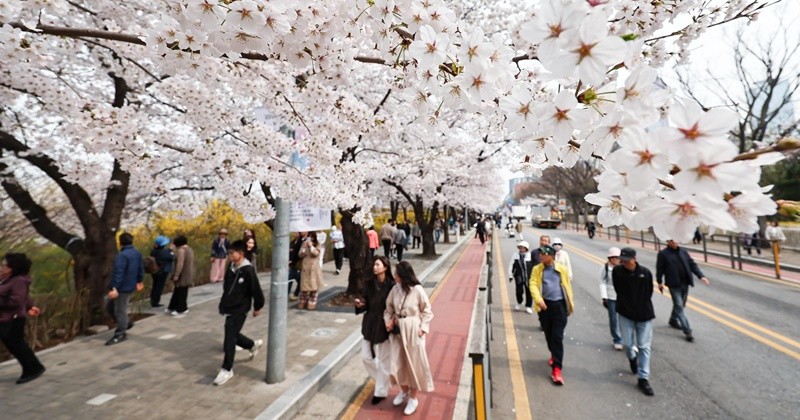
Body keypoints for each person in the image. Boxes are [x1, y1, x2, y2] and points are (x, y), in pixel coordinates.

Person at [385, 261, 434, 416]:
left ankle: (413, 398)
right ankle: (404, 390)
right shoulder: (394, 289)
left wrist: (422, 329)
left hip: (413, 330)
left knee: (414, 365)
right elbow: (388, 309)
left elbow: (427, 310)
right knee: (397, 363)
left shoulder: (417, 290)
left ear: (403, 275)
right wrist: (389, 321)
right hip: (398, 331)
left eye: (397, 273)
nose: (394, 276)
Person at [213, 240, 265, 386]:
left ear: (240, 254)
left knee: (229, 337)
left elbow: (256, 290)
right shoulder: (231, 266)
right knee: (233, 334)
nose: (229, 255)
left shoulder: (247, 270)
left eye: (231, 253)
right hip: (229, 306)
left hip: (240, 308)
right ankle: (252, 345)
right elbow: (227, 287)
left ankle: (227, 368)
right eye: (229, 252)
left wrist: (257, 307)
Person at [613, 247, 656, 396]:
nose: (624, 263)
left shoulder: (645, 273)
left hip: (644, 315)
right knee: (627, 344)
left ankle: (643, 378)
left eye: (627, 260)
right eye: (622, 260)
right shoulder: (617, 272)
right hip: (625, 313)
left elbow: (649, 291)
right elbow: (618, 289)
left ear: (634, 259)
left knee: (644, 347)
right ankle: (632, 357)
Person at [529, 245, 573, 385]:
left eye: (544, 254)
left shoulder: (561, 269)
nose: (541, 256)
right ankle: (554, 354)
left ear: (552, 256)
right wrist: (538, 299)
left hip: (559, 306)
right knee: (548, 335)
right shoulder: (537, 269)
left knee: (557, 337)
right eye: (540, 254)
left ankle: (557, 369)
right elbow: (533, 284)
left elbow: (567, 287)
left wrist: (569, 305)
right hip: (544, 306)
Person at [0, 253, 46, 383]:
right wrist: (30, 307)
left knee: (17, 345)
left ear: (12, 268)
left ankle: (33, 368)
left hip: (13, 319)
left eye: (4, 265)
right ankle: (34, 367)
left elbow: (16, 301)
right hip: (8, 318)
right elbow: (24, 298)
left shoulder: (18, 280)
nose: (1, 267)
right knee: (16, 345)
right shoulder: (8, 279)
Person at [354, 257, 394, 405]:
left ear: (385, 267)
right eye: (374, 264)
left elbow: (395, 306)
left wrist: (392, 322)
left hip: (384, 324)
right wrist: (360, 304)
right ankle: (382, 381)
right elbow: (365, 302)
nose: (375, 267)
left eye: (378, 264)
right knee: (366, 356)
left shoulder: (392, 286)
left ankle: (380, 391)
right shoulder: (369, 284)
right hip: (370, 323)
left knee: (384, 360)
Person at [656, 239, 709, 342]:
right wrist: (659, 282)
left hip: (685, 283)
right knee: (679, 306)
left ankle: (673, 320)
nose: (675, 241)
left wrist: (701, 276)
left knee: (680, 305)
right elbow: (660, 269)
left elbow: (692, 265)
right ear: (668, 241)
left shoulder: (683, 252)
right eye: (672, 240)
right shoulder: (663, 254)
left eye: (676, 239)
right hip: (673, 284)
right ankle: (687, 330)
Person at [106, 233, 144, 345]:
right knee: (110, 307)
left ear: (120, 242)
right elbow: (140, 268)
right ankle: (126, 323)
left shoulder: (122, 255)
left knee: (119, 310)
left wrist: (114, 288)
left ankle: (120, 333)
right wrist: (139, 281)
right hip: (130, 285)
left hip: (122, 287)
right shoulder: (137, 253)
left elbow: (119, 272)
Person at [600, 247, 623, 350]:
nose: (615, 260)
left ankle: (627, 340)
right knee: (613, 319)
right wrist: (604, 297)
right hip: (611, 297)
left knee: (625, 320)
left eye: (617, 257)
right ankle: (617, 339)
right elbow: (602, 282)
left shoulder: (624, 268)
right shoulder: (605, 268)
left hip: (623, 297)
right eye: (612, 258)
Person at [168, 235, 194, 316]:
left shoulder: (181, 251)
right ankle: (172, 306)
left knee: (181, 291)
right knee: (179, 290)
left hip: (182, 274)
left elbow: (180, 263)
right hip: (188, 272)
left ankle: (182, 308)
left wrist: (176, 275)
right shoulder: (189, 249)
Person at [298, 232, 323, 310]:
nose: (310, 239)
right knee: (304, 287)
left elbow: (316, 253)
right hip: (305, 267)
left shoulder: (318, 244)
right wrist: (304, 248)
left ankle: (312, 302)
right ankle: (303, 301)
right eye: (309, 237)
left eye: (312, 237)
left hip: (314, 268)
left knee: (313, 286)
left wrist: (311, 246)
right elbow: (300, 255)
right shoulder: (304, 244)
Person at [508, 241, 534, 313]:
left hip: (529, 277)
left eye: (523, 247)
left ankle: (528, 306)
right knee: (519, 291)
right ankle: (519, 302)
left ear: (526, 248)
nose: (521, 249)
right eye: (520, 247)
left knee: (529, 292)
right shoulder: (515, 255)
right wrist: (510, 275)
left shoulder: (530, 256)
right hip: (519, 277)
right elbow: (511, 265)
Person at [149, 235, 174, 308]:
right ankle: (155, 302)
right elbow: (171, 257)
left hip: (155, 271)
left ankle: (153, 300)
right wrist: (171, 251)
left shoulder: (154, 251)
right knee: (159, 286)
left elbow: (165, 253)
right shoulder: (164, 253)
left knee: (155, 285)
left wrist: (169, 250)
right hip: (162, 271)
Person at [287, 232, 307, 301]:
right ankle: (288, 293)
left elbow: (300, 253)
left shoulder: (306, 240)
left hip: (300, 263)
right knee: (291, 278)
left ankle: (296, 293)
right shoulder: (295, 241)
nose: (296, 234)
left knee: (298, 278)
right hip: (293, 263)